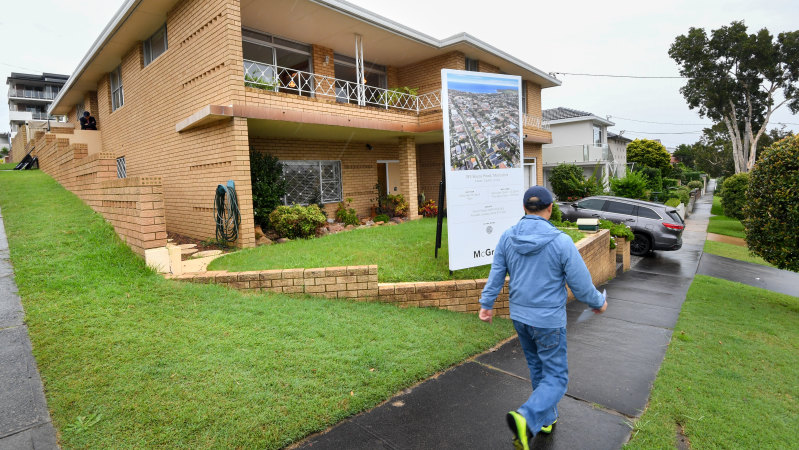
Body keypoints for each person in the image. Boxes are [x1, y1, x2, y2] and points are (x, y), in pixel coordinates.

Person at [478, 185, 607, 450]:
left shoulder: (507, 237)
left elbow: (496, 275)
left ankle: (546, 418)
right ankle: (526, 417)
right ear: (550, 209)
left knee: (538, 369)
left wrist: (486, 304)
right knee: (557, 378)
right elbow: (581, 286)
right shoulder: (561, 242)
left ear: (524, 208)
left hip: (521, 318)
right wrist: (599, 302)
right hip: (548, 322)